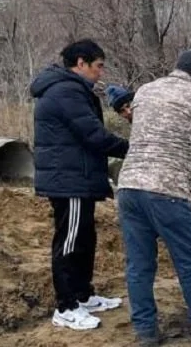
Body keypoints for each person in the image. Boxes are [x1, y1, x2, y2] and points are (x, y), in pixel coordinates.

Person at [116, 50, 191, 347]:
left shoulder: (146, 90)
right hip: (167, 189)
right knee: (189, 259)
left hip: (129, 185)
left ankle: (145, 330)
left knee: (139, 263)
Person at [30, 40, 129, 332]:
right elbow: (93, 135)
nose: (101, 72)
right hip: (68, 180)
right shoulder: (66, 91)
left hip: (77, 176)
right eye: (98, 66)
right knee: (70, 241)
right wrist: (134, 148)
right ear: (81, 63)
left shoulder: (71, 89)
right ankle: (66, 306)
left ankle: (83, 295)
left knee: (84, 237)